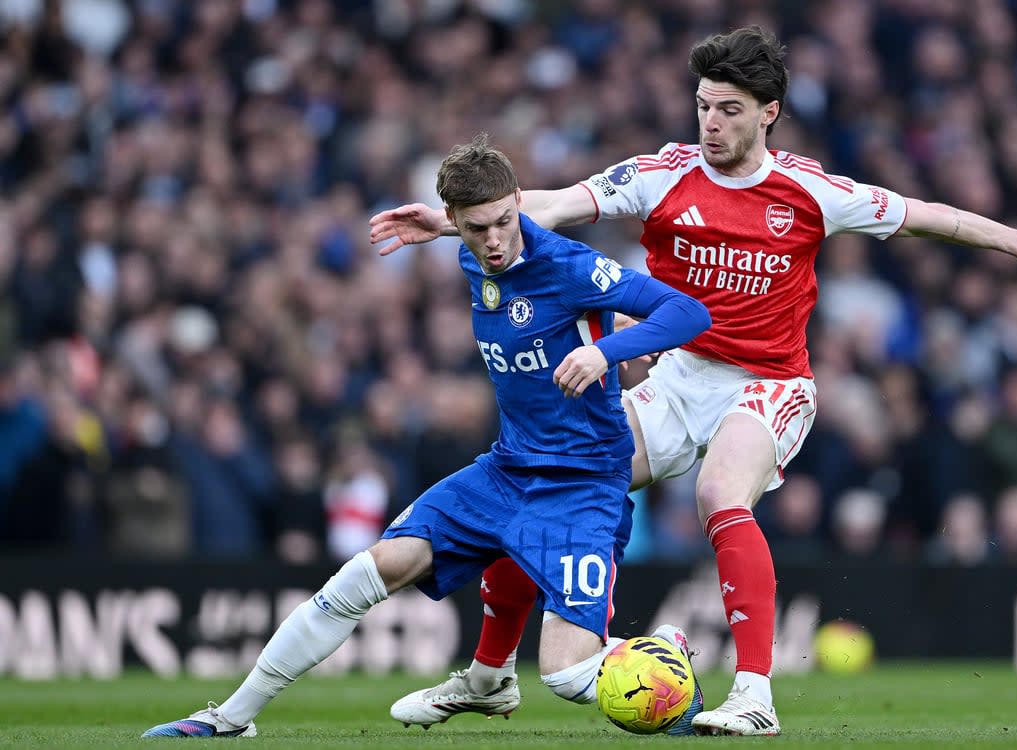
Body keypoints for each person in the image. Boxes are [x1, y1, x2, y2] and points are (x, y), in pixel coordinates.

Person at [370, 26, 1017, 737]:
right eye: (704, 106)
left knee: (719, 491)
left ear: (769, 111)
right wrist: (446, 224)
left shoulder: (807, 190)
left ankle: (753, 694)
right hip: (682, 376)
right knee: (550, 480)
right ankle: (489, 678)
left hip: (770, 382)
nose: (712, 124)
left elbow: (923, 217)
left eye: (730, 110)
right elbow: (551, 203)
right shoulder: (661, 173)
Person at [142, 134, 711, 738]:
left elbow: (687, 314)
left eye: (502, 222)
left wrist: (605, 351)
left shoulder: (570, 266)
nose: (492, 241)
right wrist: (441, 226)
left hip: (582, 481)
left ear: (520, 203)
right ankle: (230, 718)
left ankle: (666, 652)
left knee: (568, 679)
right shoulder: (470, 254)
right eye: (474, 228)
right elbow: (475, 227)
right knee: (368, 571)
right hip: (509, 467)